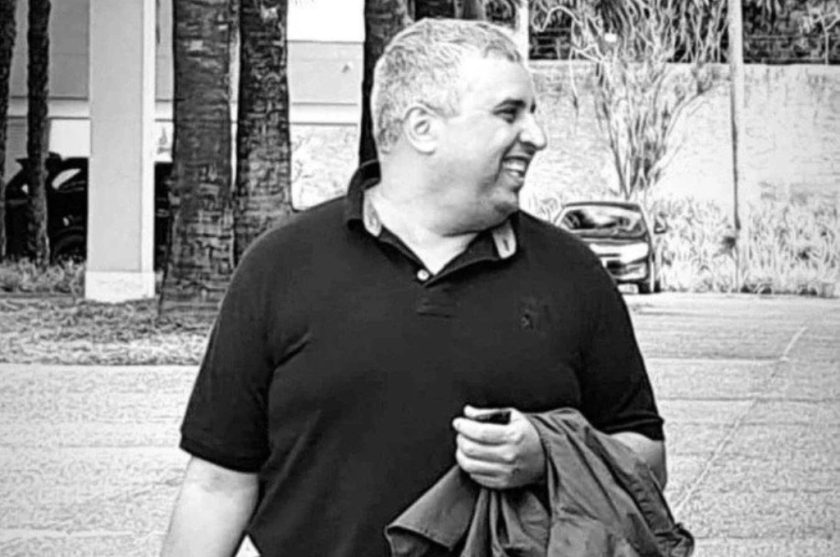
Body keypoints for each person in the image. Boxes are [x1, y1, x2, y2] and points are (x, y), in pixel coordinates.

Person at [160, 18, 666, 557]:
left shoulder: (573, 273)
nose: (537, 136)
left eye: (532, 113)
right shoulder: (280, 266)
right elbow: (217, 484)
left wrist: (549, 454)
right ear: (423, 128)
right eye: (509, 113)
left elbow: (649, 461)